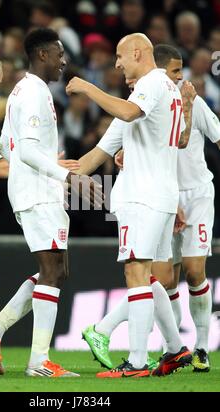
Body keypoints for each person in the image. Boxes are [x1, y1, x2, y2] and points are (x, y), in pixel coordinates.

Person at [0, 28, 103, 378]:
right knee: (53, 271)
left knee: (58, 271)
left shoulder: (23, 90)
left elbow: (7, 148)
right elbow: (26, 150)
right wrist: (66, 176)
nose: (64, 61)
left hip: (35, 187)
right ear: (42, 55)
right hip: (37, 191)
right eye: (59, 54)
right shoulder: (33, 91)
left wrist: (47, 163)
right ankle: (39, 362)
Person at [65, 33, 191, 378]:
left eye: (120, 56)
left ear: (138, 52)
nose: (117, 64)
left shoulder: (151, 84)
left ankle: (136, 362)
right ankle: (175, 349)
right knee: (149, 276)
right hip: (161, 197)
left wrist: (89, 88)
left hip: (143, 197)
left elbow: (129, 110)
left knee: (135, 272)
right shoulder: (162, 92)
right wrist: (52, 173)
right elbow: (93, 157)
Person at [150, 45, 220, 372]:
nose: (181, 78)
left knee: (194, 270)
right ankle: (173, 348)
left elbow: (218, 137)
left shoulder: (195, 102)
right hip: (164, 198)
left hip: (197, 196)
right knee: (164, 279)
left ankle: (203, 345)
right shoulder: (148, 105)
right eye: (176, 71)